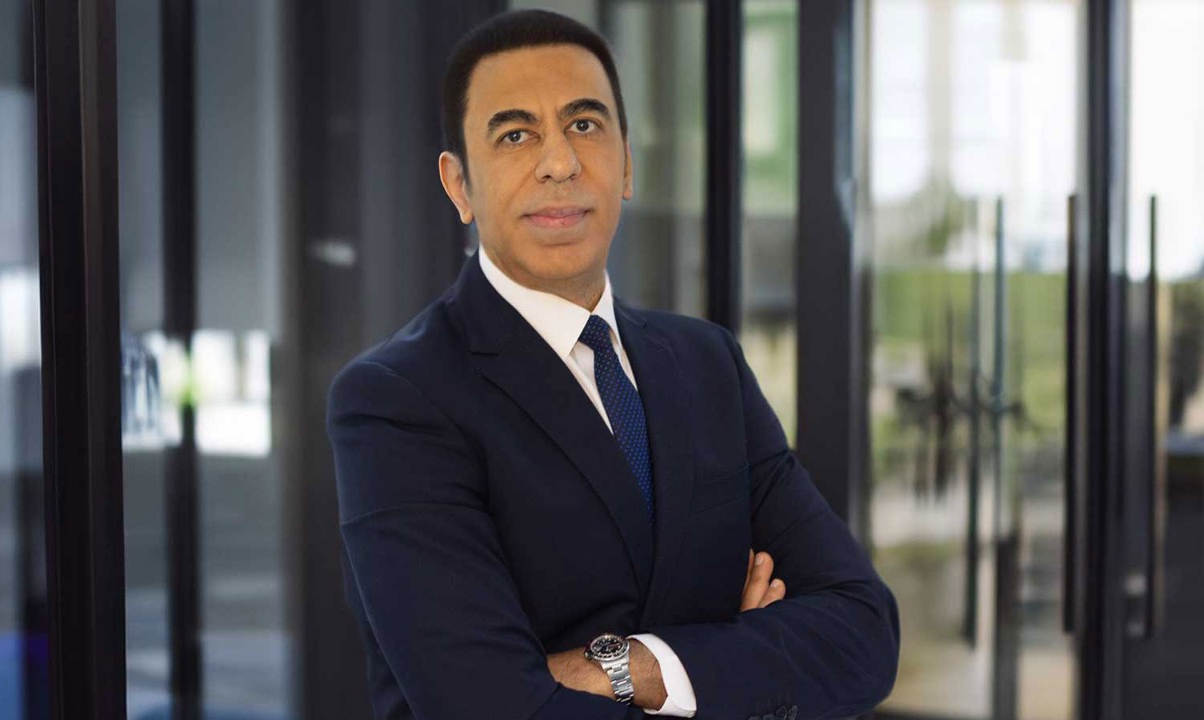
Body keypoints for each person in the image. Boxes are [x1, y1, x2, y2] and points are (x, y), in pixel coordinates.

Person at [326, 9, 899, 720]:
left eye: (584, 124)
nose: (560, 162)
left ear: (626, 163)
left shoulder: (708, 364)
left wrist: (634, 666)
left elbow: (865, 630)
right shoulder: (398, 401)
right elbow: (490, 706)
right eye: (515, 135)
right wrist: (736, 660)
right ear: (459, 185)